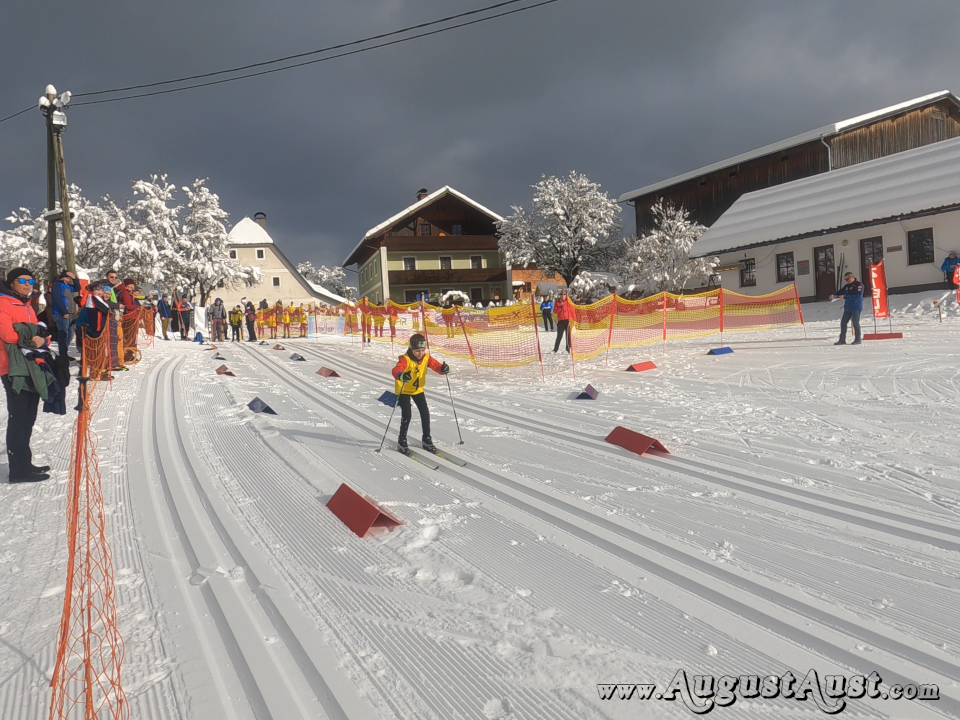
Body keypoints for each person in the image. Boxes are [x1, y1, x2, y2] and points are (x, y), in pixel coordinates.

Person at [0, 267, 53, 482]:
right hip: (12, 367)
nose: (27, 284)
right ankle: (18, 471)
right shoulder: (3, 302)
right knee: (19, 416)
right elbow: (8, 334)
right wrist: (35, 335)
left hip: (30, 364)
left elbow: (41, 332)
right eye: (22, 280)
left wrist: (42, 338)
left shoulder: (26, 304)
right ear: (11, 282)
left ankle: (25, 463)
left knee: (29, 415)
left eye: (31, 281)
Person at [391, 333, 449, 454]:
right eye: (417, 351)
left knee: (425, 413)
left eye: (422, 350)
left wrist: (443, 369)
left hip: (418, 390)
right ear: (412, 349)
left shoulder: (426, 358)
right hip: (404, 390)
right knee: (407, 415)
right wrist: (401, 375)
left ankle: (426, 439)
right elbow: (396, 370)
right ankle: (402, 440)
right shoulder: (405, 359)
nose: (420, 353)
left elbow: (437, 366)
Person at [52, 269, 80, 361]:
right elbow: (58, 299)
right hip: (61, 313)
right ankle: (62, 355)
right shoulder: (57, 285)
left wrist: (74, 278)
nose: (68, 280)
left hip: (69, 312)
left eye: (69, 278)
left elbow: (77, 288)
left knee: (69, 334)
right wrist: (63, 312)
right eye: (66, 278)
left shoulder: (67, 286)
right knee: (63, 333)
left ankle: (64, 353)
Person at [831, 271, 865, 345]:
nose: (846, 281)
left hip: (856, 307)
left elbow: (858, 296)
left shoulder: (859, 285)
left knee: (855, 323)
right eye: (845, 280)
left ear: (852, 278)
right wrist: (834, 295)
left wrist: (845, 297)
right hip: (847, 307)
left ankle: (857, 339)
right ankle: (842, 340)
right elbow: (841, 291)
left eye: (847, 279)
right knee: (843, 322)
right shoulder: (847, 286)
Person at [553, 289, 573, 353]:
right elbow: (555, 311)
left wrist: (574, 319)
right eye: (562, 295)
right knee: (559, 336)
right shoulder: (557, 302)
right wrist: (560, 307)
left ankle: (568, 349)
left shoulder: (569, 302)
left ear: (566, 295)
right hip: (561, 321)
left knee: (568, 336)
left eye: (564, 295)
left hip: (567, 320)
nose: (563, 296)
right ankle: (555, 349)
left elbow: (572, 311)